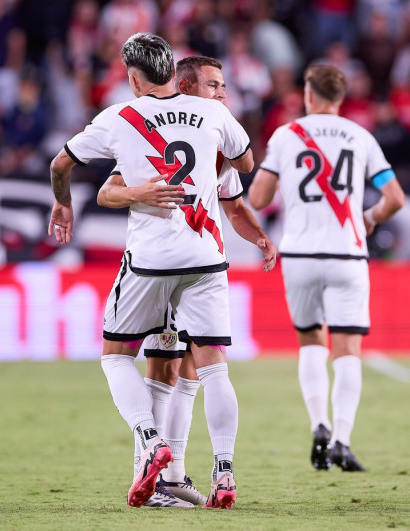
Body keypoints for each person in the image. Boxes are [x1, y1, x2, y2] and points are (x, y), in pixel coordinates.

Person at [49, 33, 255, 509]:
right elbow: (245, 160)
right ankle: (223, 471)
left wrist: (63, 203)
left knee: (115, 355)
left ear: (134, 77)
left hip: (151, 261)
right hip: (206, 258)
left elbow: (63, 164)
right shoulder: (212, 113)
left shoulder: (120, 116)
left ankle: (150, 442)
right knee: (212, 370)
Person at [96, 55, 277, 507]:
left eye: (222, 85)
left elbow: (234, 206)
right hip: (182, 266)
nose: (222, 94)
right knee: (168, 367)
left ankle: (168, 473)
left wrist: (259, 238)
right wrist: (138, 192)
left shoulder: (215, 136)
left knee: (189, 369)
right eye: (214, 85)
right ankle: (163, 475)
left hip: (186, 267)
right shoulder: (156, 134)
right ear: (186, 87)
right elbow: (108, 189)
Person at [248, 64, 405, 472]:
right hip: (347, 255)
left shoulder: (286, 135)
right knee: (348, 349)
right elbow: (395, 198)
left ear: (308, 94)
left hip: (299, 255)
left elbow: (260, 198)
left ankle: (318, 423)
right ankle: (342, 440)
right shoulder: (360, 136)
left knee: (311, 342)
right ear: (340, 97)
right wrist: (369, 219)